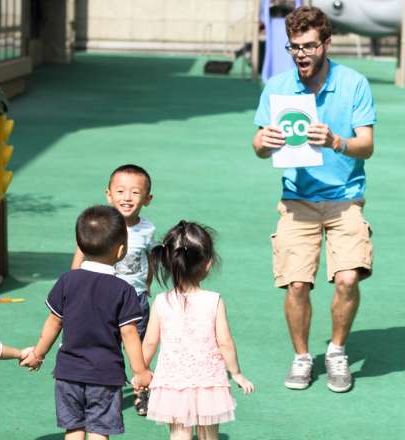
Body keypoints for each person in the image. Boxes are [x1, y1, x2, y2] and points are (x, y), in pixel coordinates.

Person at [253, 6, 376, 393]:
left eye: (308, 46)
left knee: (347, 278)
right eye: (294, 47)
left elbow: (366, 146)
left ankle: (337, 352)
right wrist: (264, 143)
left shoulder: (354, 83)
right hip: (296, 200)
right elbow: (258, 145)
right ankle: (303, 357)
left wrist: (336, 141)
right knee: (296, 285)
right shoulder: (277, 87)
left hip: (345, 200)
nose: (301, 54)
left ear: (326, 43)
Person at [21, 205, 152, 439]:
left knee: (74, 428)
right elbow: (130, 334)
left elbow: (53, 322)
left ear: (80, 246)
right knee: (99, 430)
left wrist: (39, 354)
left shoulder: (67, 280)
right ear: (121, 250)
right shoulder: (123, 290)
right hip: (105, 373)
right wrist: (140, 371)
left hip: (68, 371)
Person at [142, 220, 254, 440]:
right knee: (209, 436)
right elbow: (225, 343)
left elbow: (150, 342)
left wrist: (141, 370)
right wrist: (237, 373)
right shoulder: (213, 301)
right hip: (209, 382)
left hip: (173, 382)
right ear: (208, 264)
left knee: (179, 434)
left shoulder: (162, 301)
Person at [71, 164, 155, 415]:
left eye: (135, 192)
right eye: (120, 191)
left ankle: (142, 392)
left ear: (148, 199)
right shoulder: (98, 225)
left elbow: (149, 260)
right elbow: (81, 254)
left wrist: (147, 284)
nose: (126, 197)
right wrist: (74, 284)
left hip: (135, 300)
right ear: (108, 194)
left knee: (139, 350)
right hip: (102, 301)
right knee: (106, 349)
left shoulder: (147, 229)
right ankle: (104, 393)